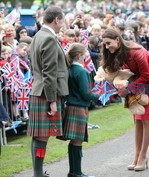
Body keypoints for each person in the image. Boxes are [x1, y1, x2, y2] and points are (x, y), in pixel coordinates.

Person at [101, 28, 149, 171]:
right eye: (104, 44)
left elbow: (147, 75)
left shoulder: (136, 51)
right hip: (137, 82)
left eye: (108, 43)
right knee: (137, 118)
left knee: (145, 117)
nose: (107, 47)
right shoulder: (118, 52)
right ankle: (136, 156)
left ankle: (143, 156)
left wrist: (128, 89)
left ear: (117, 40)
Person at [26, 6, 69, 177]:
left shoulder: (38, 36)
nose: (63, 24)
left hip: (39, 89)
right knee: (42, 137)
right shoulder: (49, 38)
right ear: (56, 20)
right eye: (63, 20)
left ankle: (37, 172)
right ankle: (37, 174)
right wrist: (52, 100)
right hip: (46, 93)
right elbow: (49, 71)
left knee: (38, 136)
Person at [62, 43, 99, 177]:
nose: (86, 57)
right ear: (79, 56)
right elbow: (87, 93)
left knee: (74, 141)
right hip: (78, 108)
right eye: (85, 55)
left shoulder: (69, 69)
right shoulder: (82, 71)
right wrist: (99, 95)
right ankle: (76, 172)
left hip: (71, 106)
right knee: (77, 141)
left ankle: (73, 172)